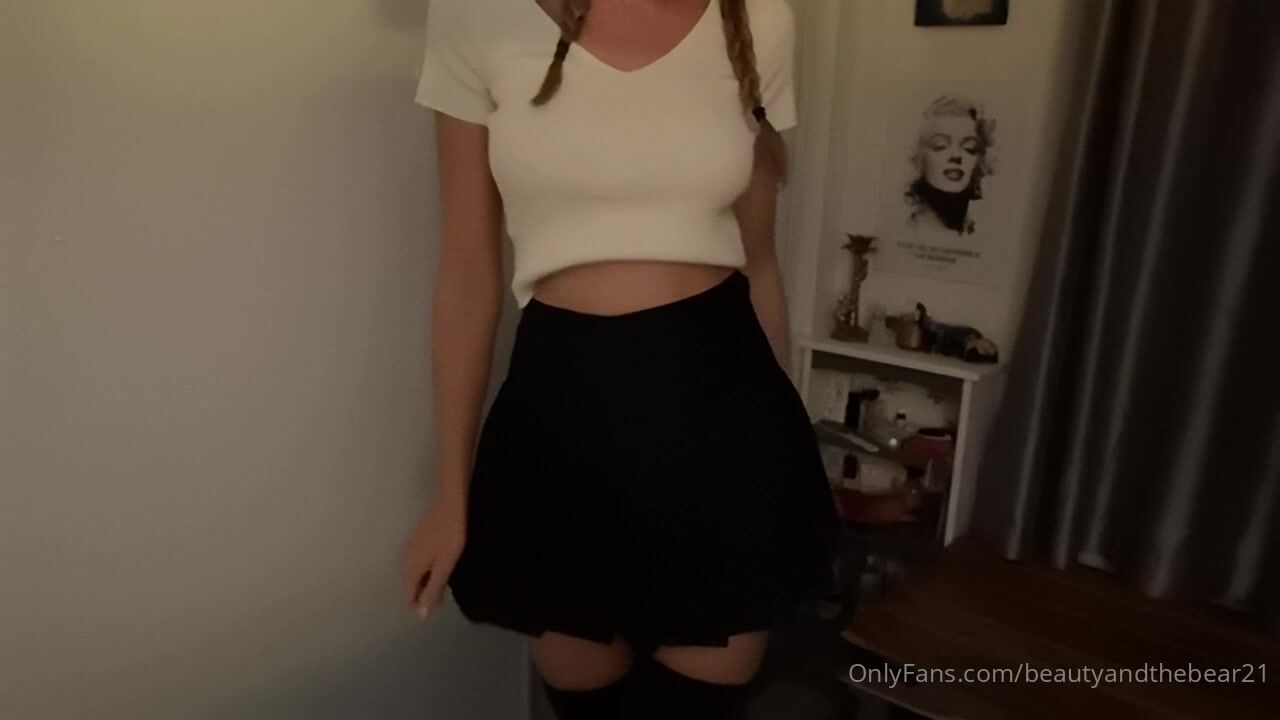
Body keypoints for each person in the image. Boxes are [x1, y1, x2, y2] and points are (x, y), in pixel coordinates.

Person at [400, 0, 838, 717]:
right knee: (587, 698)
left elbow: (759, 261)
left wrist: (778, 462)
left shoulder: (760, 17)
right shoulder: (476, 13)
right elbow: (467, 274)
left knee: (700, 702)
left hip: (721, 414)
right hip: (562, 418)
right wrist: (451, 494)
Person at [904, 95, 995, 236]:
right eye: (940, 145)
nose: (956, 155)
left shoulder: (987, 234)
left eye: (969, 148)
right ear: (917, 157)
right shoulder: (898, 232)